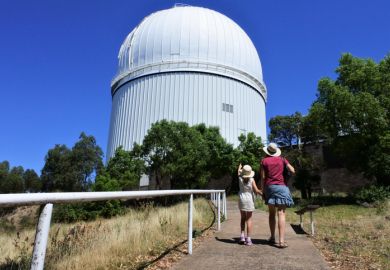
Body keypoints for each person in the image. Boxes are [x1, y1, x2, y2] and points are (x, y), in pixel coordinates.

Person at [260, 143, 295, 248]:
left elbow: (262, 177)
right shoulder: (282, 159)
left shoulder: (264, 161)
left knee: (271, 214)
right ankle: (281, 241)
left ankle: (272, 237)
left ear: (268, 152)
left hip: (269, 187)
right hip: (281, 187)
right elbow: (293, 170)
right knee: (281, 213)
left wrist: (263, 191)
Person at [237, 164, 262, 246]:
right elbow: (256, 190)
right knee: (249, 219)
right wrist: (263, 193)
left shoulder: (240, 178)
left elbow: (238, 173)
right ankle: (248, 239)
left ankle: (242, 236)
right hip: (249, 200)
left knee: (242, 218)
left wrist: (239, 167)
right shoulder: (252, 180)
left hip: (241, 199)